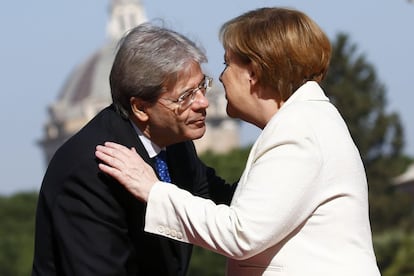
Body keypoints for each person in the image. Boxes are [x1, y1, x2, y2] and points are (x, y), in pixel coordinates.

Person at [95, 7, 381, 276]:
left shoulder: (298, 133)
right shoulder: (306, 121)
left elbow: (241, 233)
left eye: (226, 63)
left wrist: (154, 190)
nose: (220, 78)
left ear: (253, 73)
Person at [32, 22, 234, 276]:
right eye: (185, 97)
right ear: (139, 107)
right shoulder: (94, 169)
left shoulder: (176, 143)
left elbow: (228, 206)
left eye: (202, 86)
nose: (203, 102)